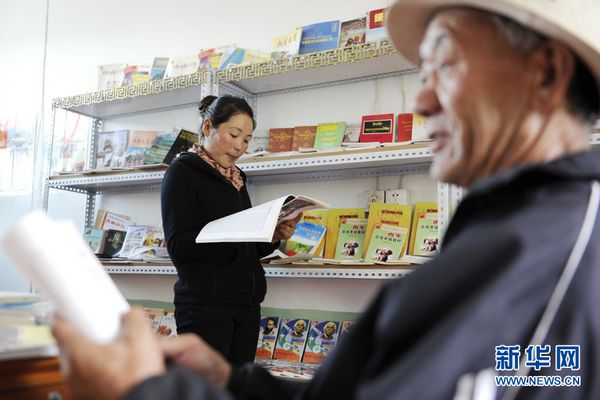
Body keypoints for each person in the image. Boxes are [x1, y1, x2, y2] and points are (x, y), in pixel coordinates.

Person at [53, 0, 600, 398]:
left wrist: (143, 391)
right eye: (424, 73)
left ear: (546, 73)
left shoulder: (549, 255)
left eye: (447, 67)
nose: (425, 100)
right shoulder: (513, 232)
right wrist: (232, 382)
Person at [159, 94, 299, 365]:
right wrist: (227, 230)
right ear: (208, 127)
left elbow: (244, 246)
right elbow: (179, 246)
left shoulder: (235, 177)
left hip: (246, 306)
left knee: (237, 391)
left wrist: (273, 235)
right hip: (205, 308)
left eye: (246, 139)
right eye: (234, 134)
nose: (239, 146)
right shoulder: (182, 172)